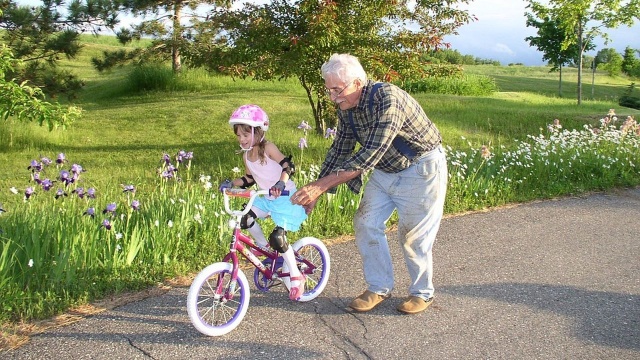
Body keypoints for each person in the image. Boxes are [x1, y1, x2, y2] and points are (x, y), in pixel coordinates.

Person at [291, 54, 448, 314]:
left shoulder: (388, 99)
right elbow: (340, 149)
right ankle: (379, 287)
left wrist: (321, 186)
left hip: (421, 169)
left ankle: (422, 292)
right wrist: (318, 190)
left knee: (413, 237)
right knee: (365, 222)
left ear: (357, 83)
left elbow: (370, 153)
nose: (332, 97)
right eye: (329, 90)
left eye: (337, 90)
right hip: (386, 170)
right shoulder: (346, 108)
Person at [219, 104, 308, 300]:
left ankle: (295, 275)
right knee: (245, 219)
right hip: (266, 198)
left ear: (258, 131)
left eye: (245, 134)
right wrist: (230, 183)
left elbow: (287, 165)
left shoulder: (268, 148)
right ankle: (264, 247)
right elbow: (249, 179)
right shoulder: (246, 155)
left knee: (278, 237)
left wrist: (280, 184)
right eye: (239, 136)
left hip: (285, 198)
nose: (242, 139)